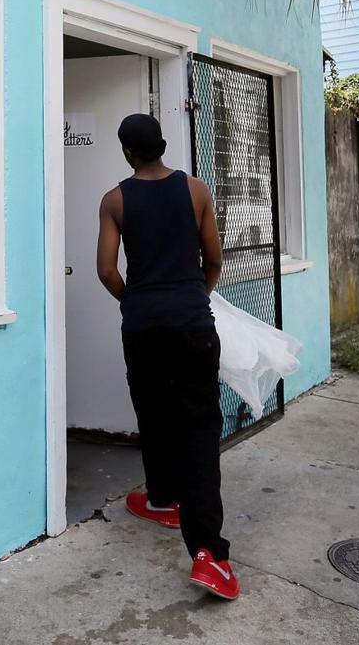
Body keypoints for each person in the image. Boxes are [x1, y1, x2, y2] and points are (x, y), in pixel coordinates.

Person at [95, 113, 238, 601]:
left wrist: (138, 302)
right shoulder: (195, 191)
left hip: (142, 327)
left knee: (153, 414)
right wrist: (194, 298)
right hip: (193, 326)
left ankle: (162, 498)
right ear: (161, 145)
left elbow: (107, 271)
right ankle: (210, 557)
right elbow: (214, 259)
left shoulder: (115, 200)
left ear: (127, 152)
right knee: (198, 430)